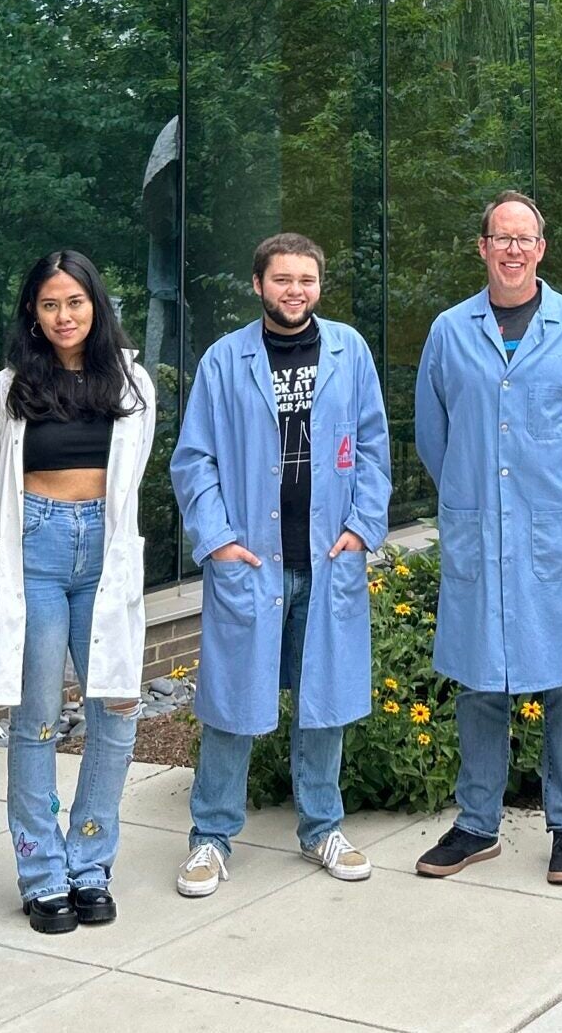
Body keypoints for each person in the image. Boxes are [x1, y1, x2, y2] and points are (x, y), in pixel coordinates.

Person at [411, 191, 562, 886]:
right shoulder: (449, 331)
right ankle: (477, 823)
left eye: (524, 238)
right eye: (500, 238)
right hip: (481, 532)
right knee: (479, 683)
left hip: (554, 538)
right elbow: (433, 435)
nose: (511, 249)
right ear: (482, 248)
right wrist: (479, 500)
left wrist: (558, 499)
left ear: (541, 249)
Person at [169, 232, 392, 896]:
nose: (296, 289)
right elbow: (194, 458)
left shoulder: (349, 351)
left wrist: (361, 527)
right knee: (231, 704)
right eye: (283, 278)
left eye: (307, 279)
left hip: (327, 558)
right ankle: (210, 838)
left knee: (322, 702)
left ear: (319, 285)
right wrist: (216, 541)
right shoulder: (224, 360)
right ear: (258, 284)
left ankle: (322, 826)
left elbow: (375, 442)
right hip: (251, 563)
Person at [0, 250, 157, 935]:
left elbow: (130, 490)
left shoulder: (134, 384)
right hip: (33, 552)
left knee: (115, 707)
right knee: (37, 715)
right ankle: (42, 871)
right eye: (49, 304)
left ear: (95, 305)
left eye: (75, 301)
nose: (64, 315)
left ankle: (90, 862)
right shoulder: (5, 392)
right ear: (32, 315)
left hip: (105, 555)